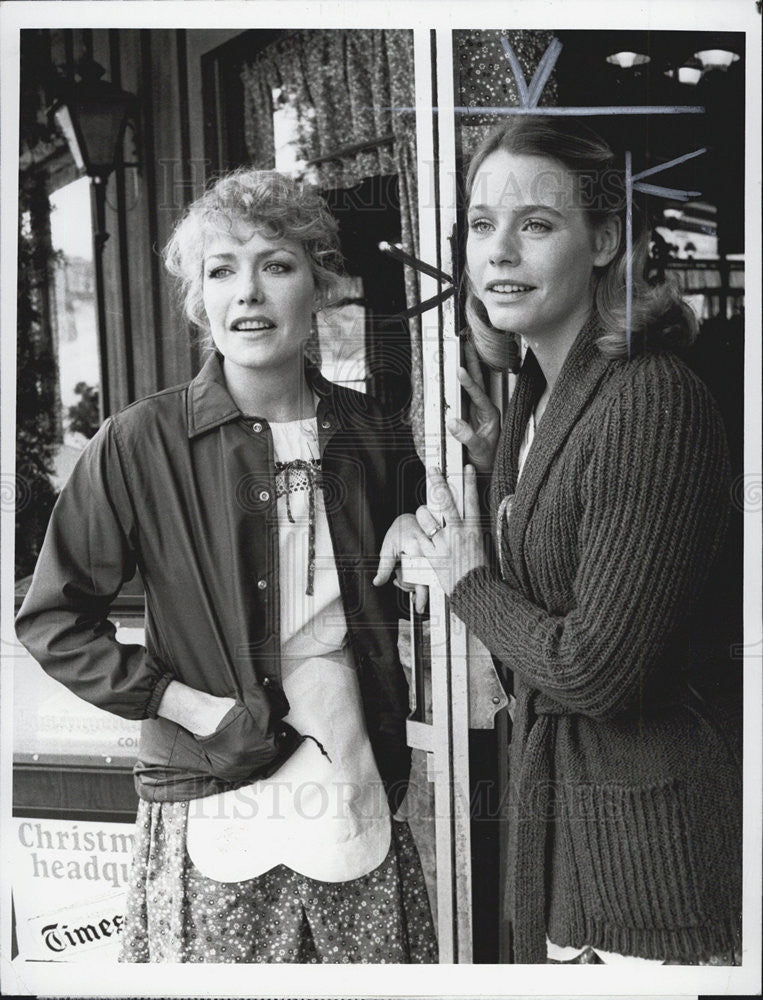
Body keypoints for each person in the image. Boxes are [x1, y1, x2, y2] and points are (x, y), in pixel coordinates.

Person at [16, 168, 436, 964]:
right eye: (221, 270)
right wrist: (187, 706)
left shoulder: (374, 434)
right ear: (198, 300)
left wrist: (416, 523)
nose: (248, 291)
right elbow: (52, 620)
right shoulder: (140, 442)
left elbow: (427, 568)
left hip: (351, 775)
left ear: (318, 287)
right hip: (214, 787)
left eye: (275, 264)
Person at [375, 117, 742, 965]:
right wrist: (473, 507)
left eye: (534, 224)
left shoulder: (651, 399)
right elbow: (528, 632)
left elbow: (595, 670)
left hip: (662, 856)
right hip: (573, 841)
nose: (498, 250)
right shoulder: (534, 406)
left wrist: (467, 579)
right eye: (479, 225)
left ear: (606, 240)